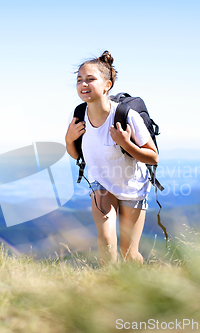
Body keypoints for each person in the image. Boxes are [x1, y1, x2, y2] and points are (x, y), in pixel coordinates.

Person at [65, 51, 159, 265]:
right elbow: (77, 155)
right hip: (101, 183)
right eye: (79, 80)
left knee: (129, 254)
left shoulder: (125, 116)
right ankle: (108, 290)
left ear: (107, 85)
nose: (83, 84)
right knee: (106, 240)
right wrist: (69, 140)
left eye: (90, 79)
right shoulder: (79, 115)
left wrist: (126, 143)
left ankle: (137, 290)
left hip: (132, 186)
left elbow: (153, 158)